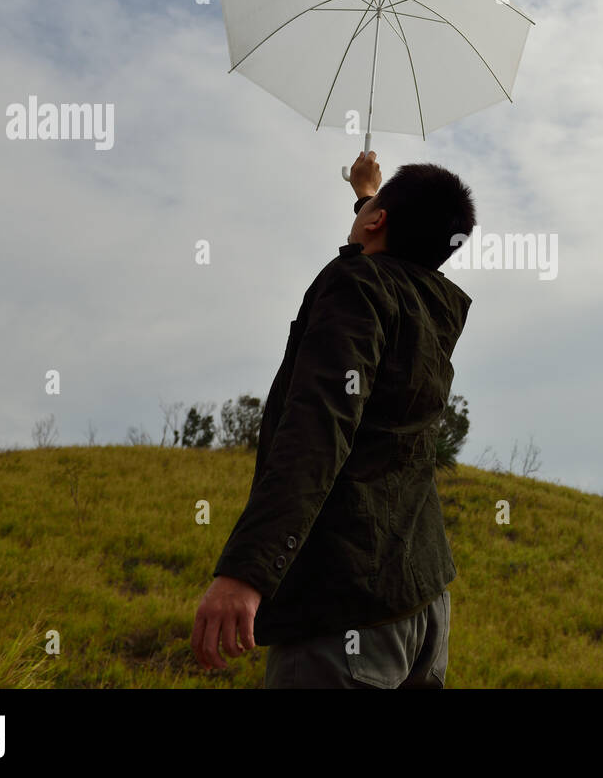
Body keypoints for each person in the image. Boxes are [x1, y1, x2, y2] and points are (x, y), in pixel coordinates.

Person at [191, 151, 476, 688]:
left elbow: (317, 433)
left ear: (377, 223)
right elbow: (389, 250)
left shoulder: (355, 287)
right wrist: (369, 194)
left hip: (349, 608)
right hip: (423, 606)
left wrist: (246, 572)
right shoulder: (428, 307)